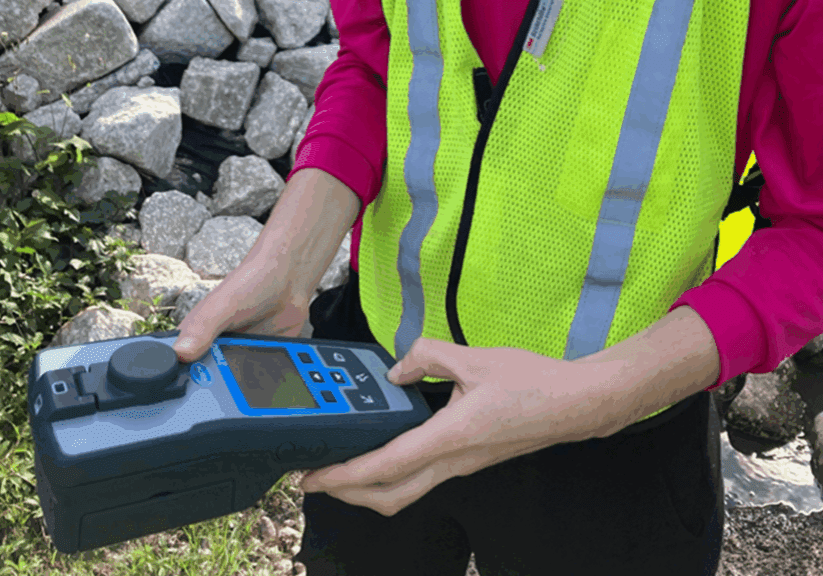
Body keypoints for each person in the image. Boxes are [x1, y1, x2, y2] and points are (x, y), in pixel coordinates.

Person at [170, 0, 823, 574]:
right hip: (375, 375)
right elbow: (381, 63)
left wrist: (597, 398)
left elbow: (812, 226)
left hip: (617, 443)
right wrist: (288, 258)